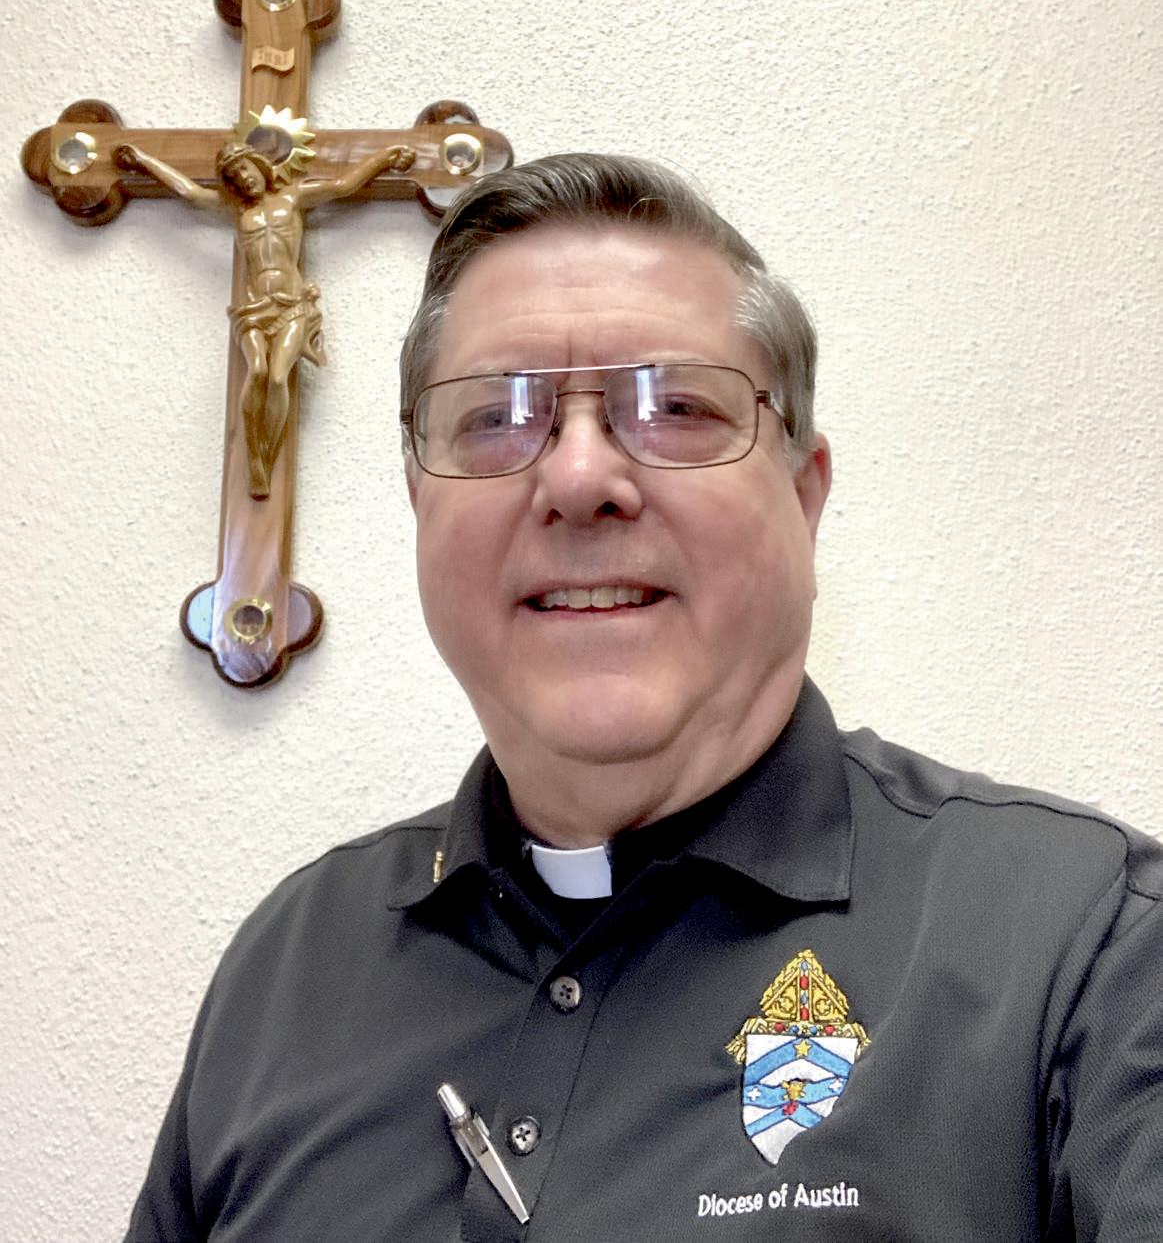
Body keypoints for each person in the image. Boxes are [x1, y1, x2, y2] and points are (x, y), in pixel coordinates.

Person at [124, 155, 1162, 1241]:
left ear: (803, 499)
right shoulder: (289, 969)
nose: (578, 480)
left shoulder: (1084, 948)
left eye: (672, 406)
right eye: (496, 416)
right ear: (420, 503)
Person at [115, 139, 416, 497]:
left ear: (259, 164)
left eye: (245, 168)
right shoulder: (237, 211)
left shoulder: (293, 198)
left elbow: (342, 185)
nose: (243, 178)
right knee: (257, 370)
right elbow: (189, 192)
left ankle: (266, 456)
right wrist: (143, 160)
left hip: (291, 305)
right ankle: (252, 451)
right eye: (234, 176)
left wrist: (385, 157)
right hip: (254, 308)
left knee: (277, 377)